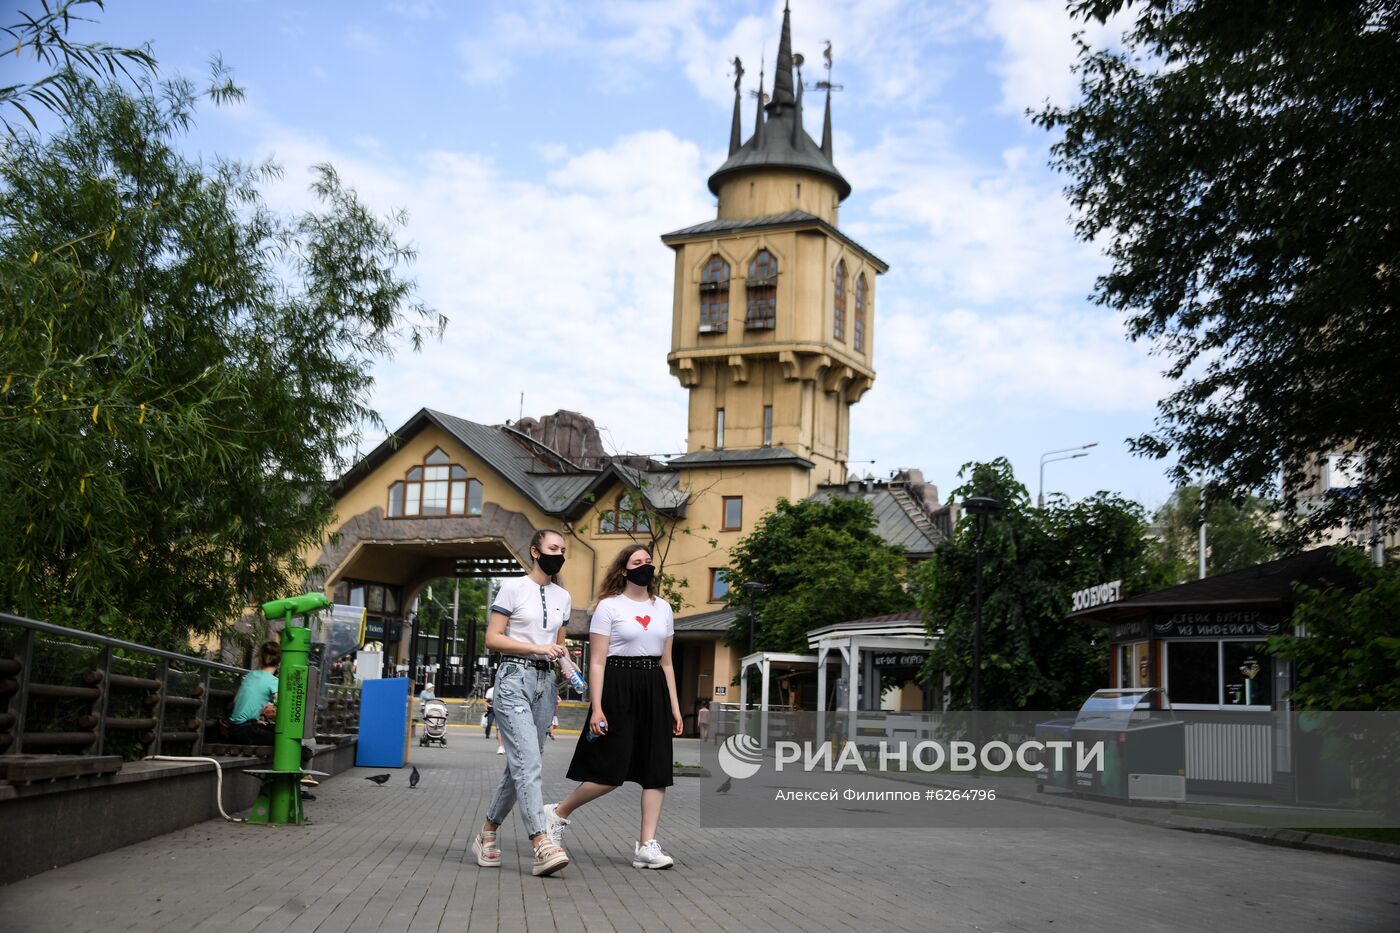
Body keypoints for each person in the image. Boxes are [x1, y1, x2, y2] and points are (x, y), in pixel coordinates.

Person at [544, 544, 682, 870]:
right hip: (619, 685)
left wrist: (675, 707)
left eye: (648, 561)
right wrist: (598, 707)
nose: (645, 566)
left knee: (656, 770)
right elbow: (597, 662)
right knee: (610, 771)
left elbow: (667, 663)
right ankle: (558, 812)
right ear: (624, 570)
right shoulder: (609, 608)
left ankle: (647, 845)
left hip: (654, 688)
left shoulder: (664, 608)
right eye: (637, 562)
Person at [473, 529, 572, 877]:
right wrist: (535, 648)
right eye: (552, 548)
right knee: (528, 763)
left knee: (521, 766)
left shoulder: (564, 596)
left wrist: (569, 667)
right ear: (535, 551)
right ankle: (541, 842)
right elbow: (492, 638)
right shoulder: (512, 588)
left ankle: (487, 833)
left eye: (562, 549)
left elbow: (559, 645)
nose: (559, 553)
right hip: (514, 677)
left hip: (547, 683)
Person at [229, 640, 280, 745]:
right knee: (284, 739)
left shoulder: (250, 675)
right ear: (279, 663)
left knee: (269, 729)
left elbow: (236, 702)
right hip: (246, 731)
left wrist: (254, 720)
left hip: (235, 728)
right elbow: (282, 707)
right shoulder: (274, 681)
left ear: (261, 658)